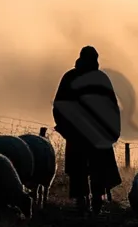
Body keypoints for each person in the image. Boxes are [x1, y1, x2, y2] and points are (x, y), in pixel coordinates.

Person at [52, 46, 122, 214]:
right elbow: (112, 107)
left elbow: (59, 104)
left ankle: (85, 200)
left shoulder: (71, 77)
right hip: (95, 132)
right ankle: (93, 200)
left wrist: (64, 126)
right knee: (93, 166)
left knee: (81, 167)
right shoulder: (99, 78)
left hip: (79, 132)